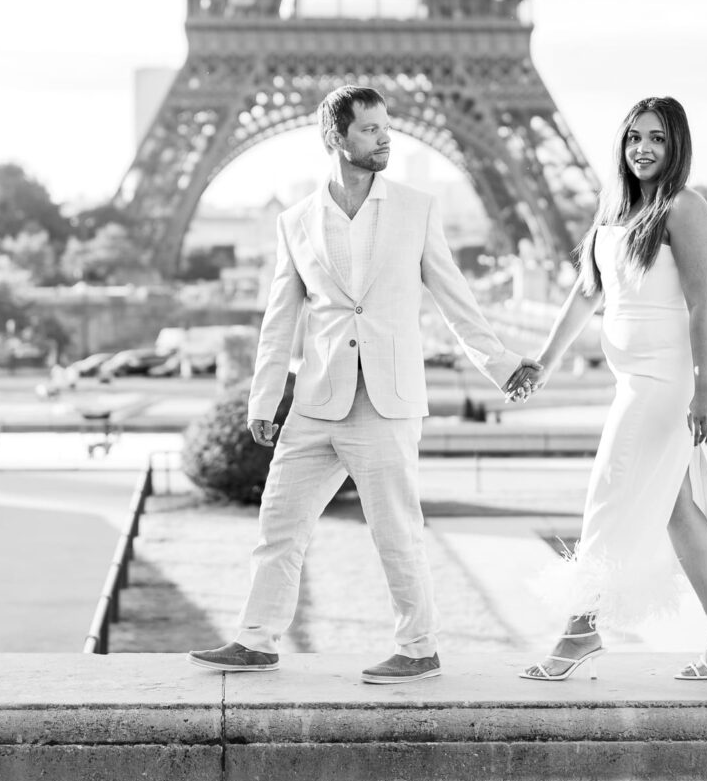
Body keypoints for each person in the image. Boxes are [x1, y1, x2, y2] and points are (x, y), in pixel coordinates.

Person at [188, 85, 539, 683]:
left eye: (386, 127)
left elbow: (456, 299)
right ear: (336, 138)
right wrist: (264, 398)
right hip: (318, 400)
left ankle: (419, 647)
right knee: (278, 524)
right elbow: (280, 321)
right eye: (371, 129)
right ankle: (256, 639)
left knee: (395, 532)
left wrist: (502, 364)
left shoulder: (415, 208)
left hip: (385, 400)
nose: (386, 138)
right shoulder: (294, 221)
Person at [509, 96, 707, 682]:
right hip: (631, 380)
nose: (644, 148)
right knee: (677, 509)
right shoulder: (615, 208)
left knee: (608, 494)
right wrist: (542, 361)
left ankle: (580, 630)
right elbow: (587, 294)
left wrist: (706, 389)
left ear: (677, 147)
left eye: (658, 139)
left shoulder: (686, 209)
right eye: (635, 137)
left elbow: (701, 305)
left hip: (667, 384)